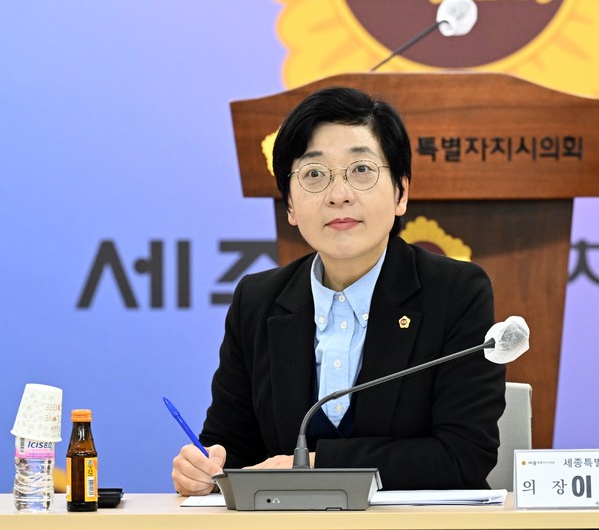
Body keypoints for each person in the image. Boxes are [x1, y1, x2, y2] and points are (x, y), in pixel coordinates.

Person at [172, 87, 505, 495]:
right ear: (290, 205)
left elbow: (463, 456)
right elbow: (232, 450)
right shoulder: (256, 302)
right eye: (314, 174)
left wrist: (314, 466)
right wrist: (204, 469)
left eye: (361, 169)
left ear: (401, 192)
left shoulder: (456, 293)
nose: (339, 194)